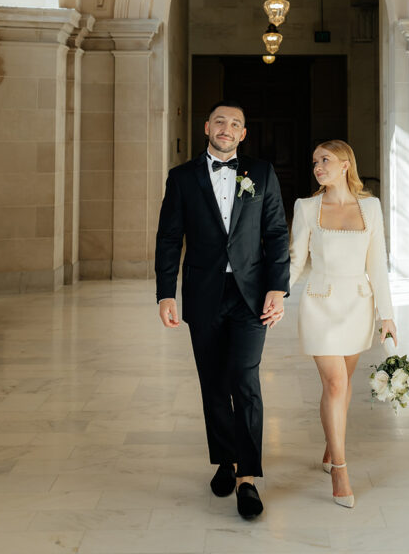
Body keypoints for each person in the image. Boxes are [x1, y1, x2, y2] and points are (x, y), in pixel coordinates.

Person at [155, 101, 290, 520]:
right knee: (213, 381)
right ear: (207, 127)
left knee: (245, 378)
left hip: (251, 295)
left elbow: (276, 232)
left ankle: (247, 477)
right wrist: (166, 292)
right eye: (220, 121)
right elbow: (168, 237)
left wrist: (277, 289)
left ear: (244, 134)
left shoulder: (262, 173)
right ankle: (225, 462)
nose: (227, 128)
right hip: (204, 293)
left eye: (235, 124)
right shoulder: (182, 178)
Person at [289, 139, 397, 509]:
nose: (317, 167)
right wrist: (275, 295)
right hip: (320, 304)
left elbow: (377, 264)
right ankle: (340, 467)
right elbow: (294, 260)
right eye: (315, 161)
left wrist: (387, 314)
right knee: (334, 384)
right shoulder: (306, 207)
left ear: (345, 165)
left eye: (325, 160)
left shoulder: (371, 206)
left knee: (344, 384)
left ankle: (329, 443)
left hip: (358, 305)